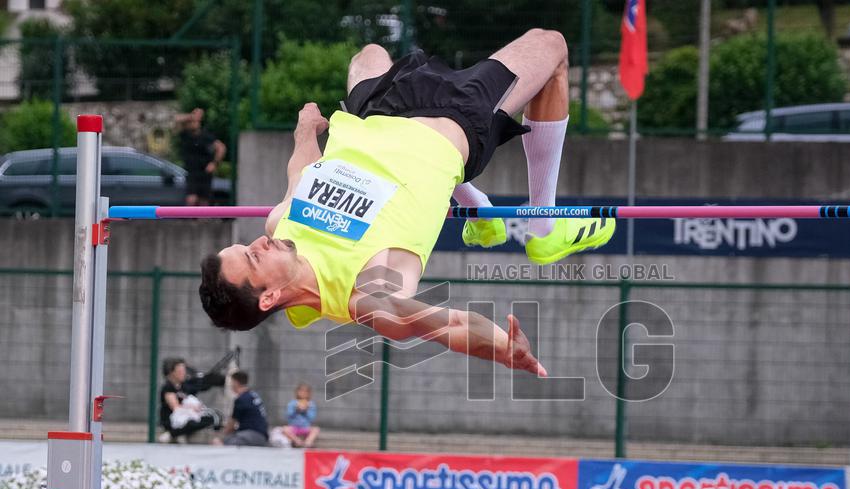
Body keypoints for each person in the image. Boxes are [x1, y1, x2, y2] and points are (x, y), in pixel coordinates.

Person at [199, 30, 617, 375]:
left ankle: (477, 209)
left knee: (370, 53)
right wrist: (503, 348)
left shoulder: (279, 227)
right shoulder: (369, 293)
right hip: (450, 119)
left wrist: (304, 133)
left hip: (377, 113)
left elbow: (300, 174)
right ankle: (543, 226)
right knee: (553, 46)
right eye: (253, 258)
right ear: (267, 297)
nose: (258, 243)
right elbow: (450, 325)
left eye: (246, 245)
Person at [158, 357, 221, 443]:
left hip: (187, 416)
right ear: (172, 373)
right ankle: (173, 434)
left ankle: (180, 433)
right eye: (180, 371)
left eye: (184, 371)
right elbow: (175, 407)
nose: (184, 373)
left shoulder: (184, 386)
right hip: (173, 419)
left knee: (212, 418)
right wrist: (191, 408)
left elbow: (199, 387)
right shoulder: (168, 388)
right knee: (193, 423)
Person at [176, 107, 226, 206]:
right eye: (191, 122)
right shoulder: (185, 135)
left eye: (195, 121)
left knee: (204, 200)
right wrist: (191, 116)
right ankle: (190, 220)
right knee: (191, 199)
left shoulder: (206, 136)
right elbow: (176, 119)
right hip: (192, 172)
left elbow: (221, 148)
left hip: (205, 172)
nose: (193, 123)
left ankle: (202, 220)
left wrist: (214, 163)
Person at [214, 370, 269, 447]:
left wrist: (220, 438)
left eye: (231, 382)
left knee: (222, 444)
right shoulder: (253, 395)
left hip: (250, 435)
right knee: (227, 440)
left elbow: (231, 425)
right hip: (261, 435)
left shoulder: (241, 399)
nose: (230, 385)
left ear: (236, 382)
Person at [282, 383, 321, 448]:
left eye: (305, 392)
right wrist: (296, 410)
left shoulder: (311, 404)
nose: (303, 393)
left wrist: (306, 411)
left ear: (309, 393)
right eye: (301, 391)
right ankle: (297, 441)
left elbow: (312, 418)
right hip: (294, 427)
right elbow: (288, 415)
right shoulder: (292, 403)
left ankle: (308, 443)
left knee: (316, 429)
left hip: (305, 427)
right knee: (284, 429)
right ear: (297, 392)